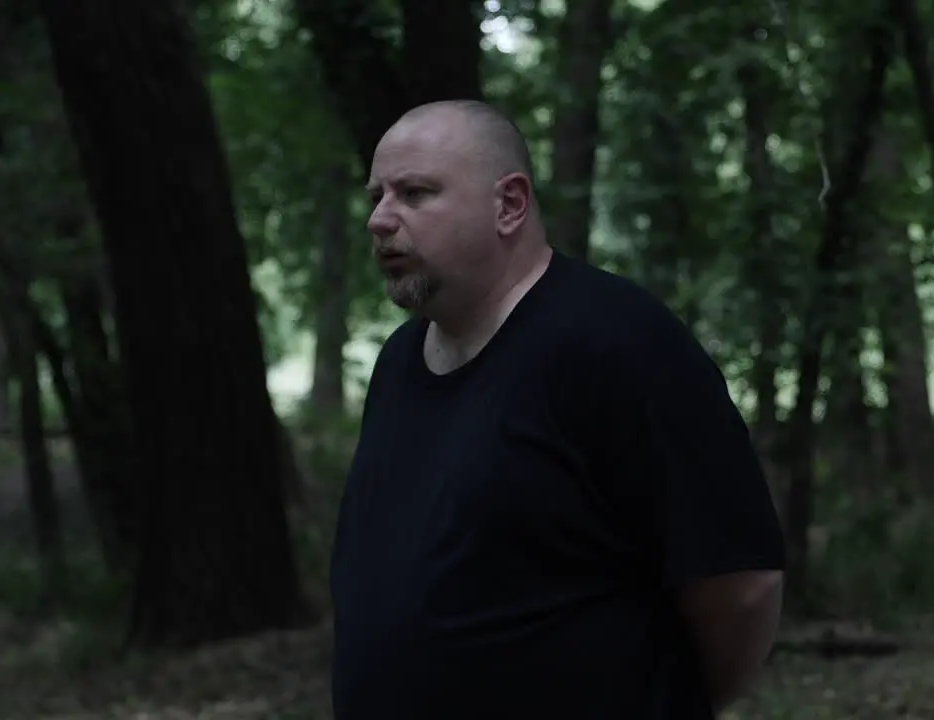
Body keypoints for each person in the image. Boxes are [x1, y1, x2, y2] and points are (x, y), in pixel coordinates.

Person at [330, 99, 785, 720]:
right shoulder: (400, 362)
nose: (381, 219)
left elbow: (740, 584)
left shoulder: (617, 342)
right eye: (376, 196)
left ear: (509, 205)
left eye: (414, 193)